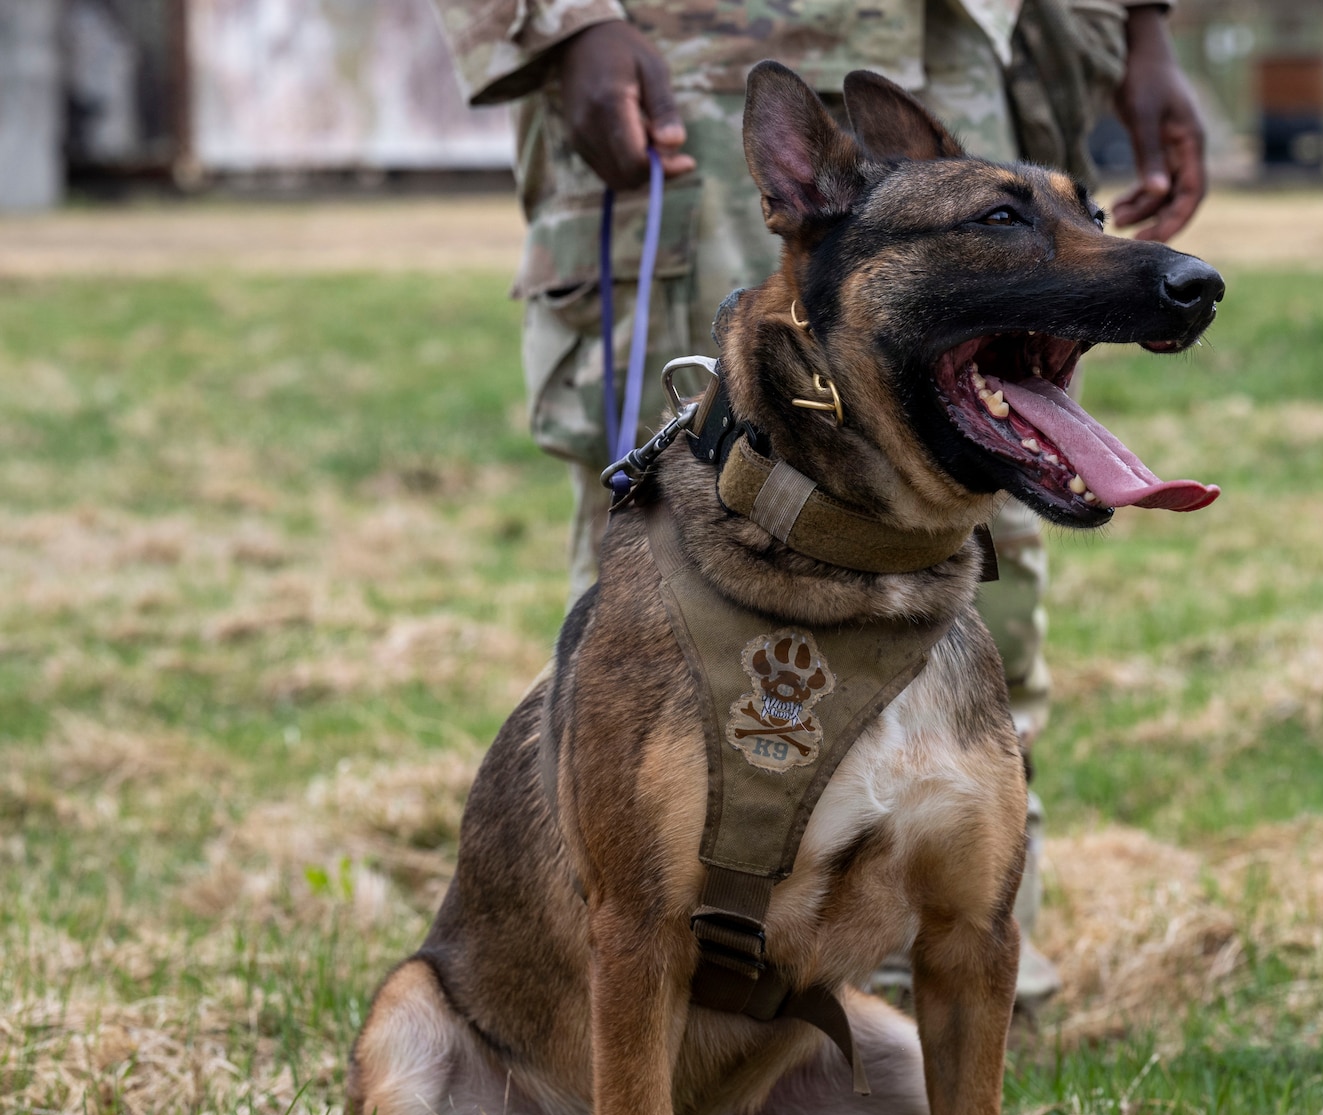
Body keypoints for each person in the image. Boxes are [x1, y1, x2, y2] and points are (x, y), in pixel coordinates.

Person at [427, 0, 1209, 1010]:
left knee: (977, 507)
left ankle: (937, 929)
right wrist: (556, 26)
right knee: (681, 579)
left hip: (979, 40)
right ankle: (662, 977)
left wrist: (1136, 26)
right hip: (699, 57)